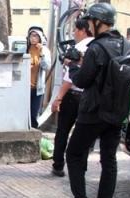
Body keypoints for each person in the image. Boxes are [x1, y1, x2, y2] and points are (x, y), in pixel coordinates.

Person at [61, 3, 130, 198]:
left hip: (93, 113)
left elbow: (82, 80)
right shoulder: (126, 45)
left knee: (74, 153)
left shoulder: (96, 47)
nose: (89, 25)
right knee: (108, 160)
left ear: (98, 22)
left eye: (90, 21)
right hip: (117, 112)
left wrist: (72, 64)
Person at [50, 19, 94, 177]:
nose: (74, 34)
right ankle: (81, 165)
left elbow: (70, 79)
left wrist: (58, 98)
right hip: (89, 97)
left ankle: (58, 165)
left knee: (62, 131)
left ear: (82, 30)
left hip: (73, 96)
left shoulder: (79, 48)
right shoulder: (98, 47)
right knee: (85, 134)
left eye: (75, 30)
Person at [26, 26, 51, 129]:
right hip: (25, 87)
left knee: (33, 114)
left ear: (40, 37)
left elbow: (47, 67)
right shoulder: (26, 49)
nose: (33, 38)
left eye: (36, 36)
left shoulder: (44, 50)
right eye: (31, 35)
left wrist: (41, 54)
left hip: (37, 88)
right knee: (24, 114)